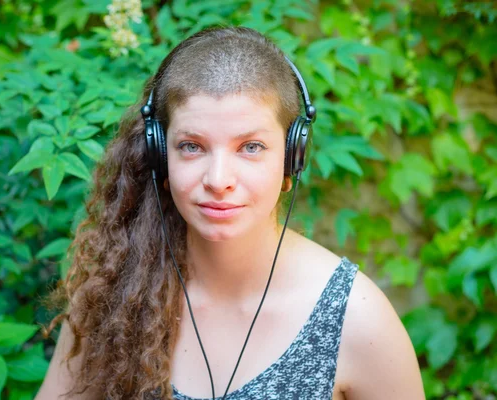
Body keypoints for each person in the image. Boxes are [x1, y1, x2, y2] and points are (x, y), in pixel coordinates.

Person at [36, 27, 425, 400]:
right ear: (159, 157)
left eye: (251, 147)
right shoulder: (113, 296)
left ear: (292, 160)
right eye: (191, 146)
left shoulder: (359, 320)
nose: (218, 179)